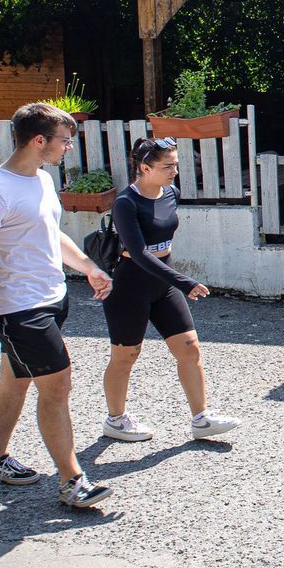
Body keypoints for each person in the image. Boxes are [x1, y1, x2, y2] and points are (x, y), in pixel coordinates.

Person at [0, 101, 114, 509]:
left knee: (16, 379)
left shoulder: (40, 180)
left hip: (50, 298)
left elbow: (49, 232)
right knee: (58, 385)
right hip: (16, 309)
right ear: (39, 140)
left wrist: (87, 266)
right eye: (65, 141)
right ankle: (72, 481)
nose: (68, 149)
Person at [100, 136, 241, 443]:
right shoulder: (126, 203)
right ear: (144, 167)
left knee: (189, 348)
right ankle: (115, 420)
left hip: (162, 284)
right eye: (167, 166)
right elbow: (139, 254)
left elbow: (163, 245)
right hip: (129, 286)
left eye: (176, 165)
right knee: (126, 355)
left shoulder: (171, 193)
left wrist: (174, 282)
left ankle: (201, 419)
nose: (174, 171)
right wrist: (184, 281)